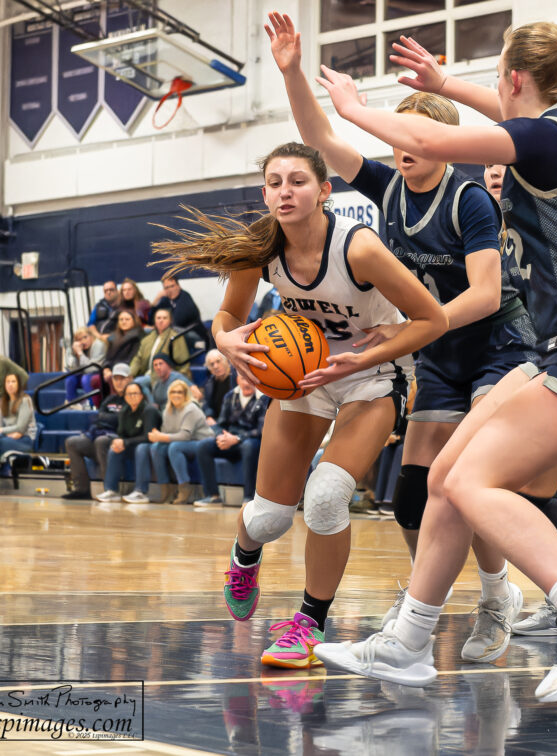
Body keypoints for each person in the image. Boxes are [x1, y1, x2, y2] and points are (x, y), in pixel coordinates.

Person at [310, 21, 557, 701]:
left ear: (516, 78)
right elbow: (503, 118)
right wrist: (444, 84)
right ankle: (408, 642)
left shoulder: (550, 137)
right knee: (445, 476)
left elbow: (431, 138)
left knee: (477, 484)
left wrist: (352, 109)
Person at [267, 12, 540, 663]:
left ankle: (499, 595)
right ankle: (430, 596)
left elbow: (487, 293)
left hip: (500, 351)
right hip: (442, 356)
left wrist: (408, 328)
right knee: (413, 498)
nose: (402, 146)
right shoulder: (387, 188)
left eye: (417, 137)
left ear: (444, 144)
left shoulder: (469, 200)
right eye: (398, 138)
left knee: (470, 481)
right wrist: (292, 73)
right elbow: (318, 139)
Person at [151, 139, 446, 669]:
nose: (284, 191)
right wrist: (225, 341)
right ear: (265, 193)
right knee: (268, 518)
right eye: (274, 182)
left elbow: (432, 321)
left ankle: (307, 622)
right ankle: (245, 554)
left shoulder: (358, 249)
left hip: (372, 376)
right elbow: (226, 317)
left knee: (328, 497)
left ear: (325, 191)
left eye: (298, 181)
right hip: (304, 376)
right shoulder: (260, 250)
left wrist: (362, 358)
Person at [193, 375, 271, 507]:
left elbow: (261, 431)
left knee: (249, 446)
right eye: (243, 379)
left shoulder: (263, 398)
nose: (246, 383)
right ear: (237, 380)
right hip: (229, 439)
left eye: (250, 379)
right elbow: (220, 423)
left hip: (251, 441)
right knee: (203, 446)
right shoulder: (230, 396)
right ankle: (213, 496)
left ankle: (248, 497)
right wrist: (221, 436)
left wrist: (237, 438)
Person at [137, 379, 214, 505]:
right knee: (156, 447)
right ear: (169, 394)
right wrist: (158, 437)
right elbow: (166, 432)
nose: (176, 395)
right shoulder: (167, 410)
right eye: (173, 392)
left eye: (179, 392)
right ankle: (166, 490)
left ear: (185, 395)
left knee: (174, 447)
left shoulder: (191, 409)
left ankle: (185, 488)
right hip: (183, 443)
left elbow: (185, 436)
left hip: (201, 442)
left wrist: (160, 436)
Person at [62, 363, 131, 500]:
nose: (118, 382)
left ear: (129, 379)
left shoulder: (133, 397)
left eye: (122, 378)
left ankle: (110, 489)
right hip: (102, 435)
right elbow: (100, 418)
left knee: (102, 441)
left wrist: (109, 419)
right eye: (116, 379)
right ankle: (82, 490)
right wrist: (111, 419)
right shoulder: (109, 399)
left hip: (121, 441)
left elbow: (123, 421)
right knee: (72, 442)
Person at [95, 382, 162, 503]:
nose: (132, 396)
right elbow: (121, 434)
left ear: (142, 396)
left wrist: (125, 442)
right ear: (125, 397)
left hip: (152, 445)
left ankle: (141, 491)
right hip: (132, 444)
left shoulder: (149, 410)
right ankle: (111, 490)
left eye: (135, 393)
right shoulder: (124, 412)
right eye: (129, 394)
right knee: (114, 448)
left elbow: (149, 436)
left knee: (141, 448)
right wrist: (119, 442)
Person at [129, 307, 191, 388]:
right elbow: (138, 359)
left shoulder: (176, 337)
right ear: (154, 320)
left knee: (137, 384)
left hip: (165, 377)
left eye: (164, 318)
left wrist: (178, 379)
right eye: (158, 318)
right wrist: (129, 374)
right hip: (146, 374)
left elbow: (183, 362)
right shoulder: (147, 338)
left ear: (170, 321)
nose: (161, 321)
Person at [98, 310, 145, 392]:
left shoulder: (138, 336)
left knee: (113, 378)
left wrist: (114, 370)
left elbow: (132, 358)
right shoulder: (114, 336)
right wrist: (106, 368)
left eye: (127, 319)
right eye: (121, 319)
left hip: (127, 368)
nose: (124, 322)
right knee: (95, 379)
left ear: (134, 321)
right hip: (113, 368)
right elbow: (108, 356)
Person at [151, 274, 204, 345]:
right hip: (177, 331)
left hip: (194, 333)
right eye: (166, 288)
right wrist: (156, 299)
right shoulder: (165, 299)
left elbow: (177, 322)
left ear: (179, 286)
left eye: (172, 286)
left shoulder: (185, 297)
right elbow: (151, 319)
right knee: (149, 332)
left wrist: (156, 325)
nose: (170, 290)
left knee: (166, 331)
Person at [63, 327, 106, 409]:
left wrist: (80, 353)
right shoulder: (80, 348)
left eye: (85, 337)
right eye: (79, 340)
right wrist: (74, 353)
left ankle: (92, 405)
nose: (83, 341)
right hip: (85, 373)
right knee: (70, 378)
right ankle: (72, 403)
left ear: (92, 336)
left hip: (98, 373)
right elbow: (73, 369)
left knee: (85, 379)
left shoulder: (99, 345)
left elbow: (92, 368)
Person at [192, 350, 237, 423]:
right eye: (211, 364)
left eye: (218, 361)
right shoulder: (210, 383)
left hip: (232, 422)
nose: (215, 366)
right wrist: (209, 416)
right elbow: (207, 404)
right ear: (209, 369)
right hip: (216, 421)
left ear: (226, 361)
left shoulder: (236, 379)